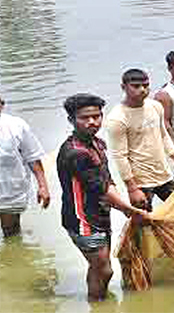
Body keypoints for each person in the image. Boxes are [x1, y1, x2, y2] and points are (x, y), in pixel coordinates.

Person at [57, 93, 149, 301]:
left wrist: (126, 205)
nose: (92, 122)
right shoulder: (76, 153)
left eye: (97, 117)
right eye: (84, 118)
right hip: (83, 221)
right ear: (71, 120)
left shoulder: (96, 143)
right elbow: (101, 189)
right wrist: (129, 210)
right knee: (104, 270)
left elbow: (107, 180)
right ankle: (97, 302)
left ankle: (96, 300)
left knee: (98, 266)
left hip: (99, 215)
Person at [106, 69, 174, 211]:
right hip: (141, 182)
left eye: (146, 85)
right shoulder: (117, 118)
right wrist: (132, 188)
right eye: (136, 86)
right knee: (144, 221)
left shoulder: (155, 106)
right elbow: (120, 156)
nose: (142, 90)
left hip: (164, 175)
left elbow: (163, 135)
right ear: (124, 87)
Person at [0, 94, 50, 237]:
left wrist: (43, 186)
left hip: (10, 192)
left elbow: (33, 157)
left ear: (1, 106)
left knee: (11, 233)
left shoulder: (16, 126)